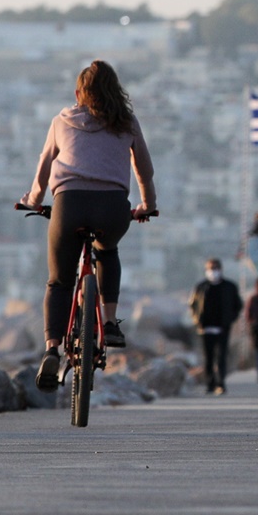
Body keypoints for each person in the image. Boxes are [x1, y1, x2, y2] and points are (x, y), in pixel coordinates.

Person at [24, 60, 157, 390]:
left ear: (78, 93)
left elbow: (44, 167)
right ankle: (110, 323)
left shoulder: (61, 120)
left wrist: (33, 199)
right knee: (107, 250)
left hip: (68, 205)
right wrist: (148, 206)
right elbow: (144, 171)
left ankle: (52, 349)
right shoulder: (127, 122)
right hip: (113, 207)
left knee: (58, 281)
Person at [189, 259, 242, 394]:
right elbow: (193, 305)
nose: (213, 271)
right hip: (205, 328)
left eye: (216, 268)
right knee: (208, 358)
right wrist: (197, 321)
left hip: (223, 328)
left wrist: (230, 320)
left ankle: (221, 383)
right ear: (206, 270)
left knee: (221, 357)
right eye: (211, 268)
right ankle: (210, 384)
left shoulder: (230, 286)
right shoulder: (200, 287)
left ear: (221, 269)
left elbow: (238, 305)